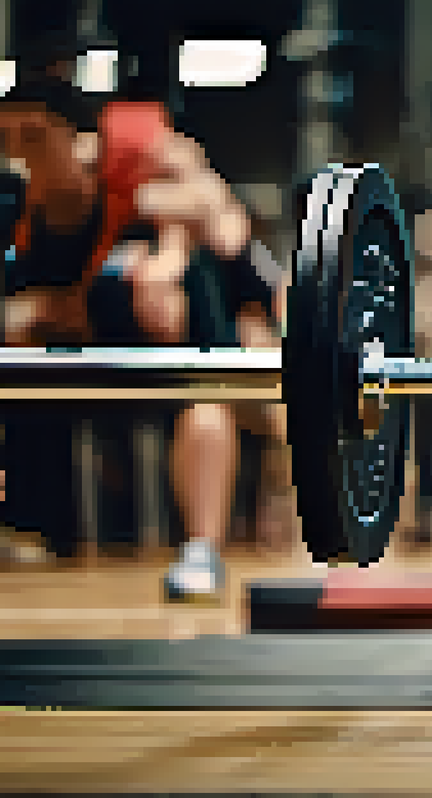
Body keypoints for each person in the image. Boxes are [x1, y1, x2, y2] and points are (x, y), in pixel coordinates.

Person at [0, 70, 272, 603]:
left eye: (33, 136)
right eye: (8, 137)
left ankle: (202, 549)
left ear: (79, 137)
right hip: (82, 335)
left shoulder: (142, 160)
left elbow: (221, 219)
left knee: (203, 385)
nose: (18, 151)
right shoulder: (20, 209)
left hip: (173, 327)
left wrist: (167, 257)